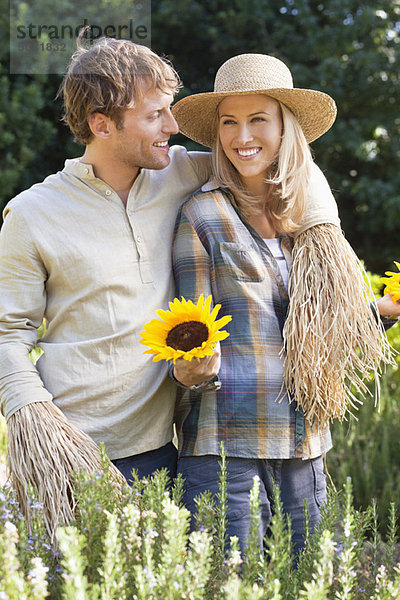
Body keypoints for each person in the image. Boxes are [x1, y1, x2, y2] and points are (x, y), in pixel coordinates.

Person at [170, 53, 400, 557]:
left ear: (285, 127)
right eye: (229, 122)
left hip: (304, 443)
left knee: (307, 581)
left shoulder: (313, 221)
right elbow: (191, 331)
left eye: (258, 120)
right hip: (227, 447)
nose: (241, 136)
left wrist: (379, 314)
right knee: (230, 584)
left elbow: (321, 326)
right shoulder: (202, 215)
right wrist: (193, 370)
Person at [0, 36, 211, 537]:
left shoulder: (184, 172)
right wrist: (32, 413)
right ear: (101, 123)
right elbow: (7, 333)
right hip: (69, 457)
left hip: (162, 451)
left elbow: (275, 161)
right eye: (155, 114)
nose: (172, 127)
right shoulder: (32, 214)